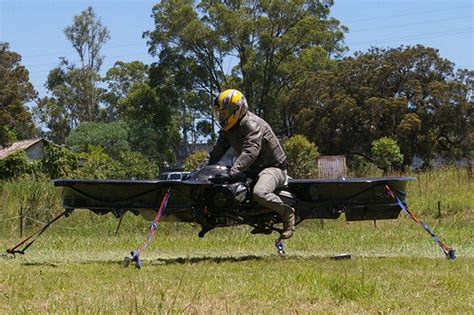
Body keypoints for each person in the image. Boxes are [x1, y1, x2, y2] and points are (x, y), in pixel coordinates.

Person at [206, 89, 295, 239]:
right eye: (220, 113)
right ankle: (260, 219)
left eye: (224, 113)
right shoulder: (228, 130)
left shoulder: (251, 124)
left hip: (274, 168)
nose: (221, 117)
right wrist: (198, 174)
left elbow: (250, 151)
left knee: (259, 193)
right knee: (231, 190)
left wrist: (232, 173)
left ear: (236, 110)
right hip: (252, 170)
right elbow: (214, 154)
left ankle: (288, 214)